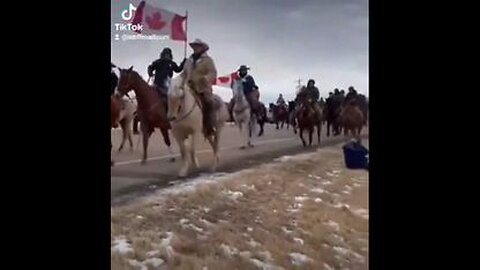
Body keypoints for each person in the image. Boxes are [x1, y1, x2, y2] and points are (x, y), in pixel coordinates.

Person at [179, 38, 218, 136]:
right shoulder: (188, 61)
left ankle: (209, 126)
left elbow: (213, 73)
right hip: (189, 87)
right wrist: (177, 81)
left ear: (202, 48)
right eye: (194, 46)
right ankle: (177, 122)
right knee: (175, 99)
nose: (195, 48)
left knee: (209, 103)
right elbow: (184, 74)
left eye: (198, 46)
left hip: (203, 88)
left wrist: (206, 78)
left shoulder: (208, 60)